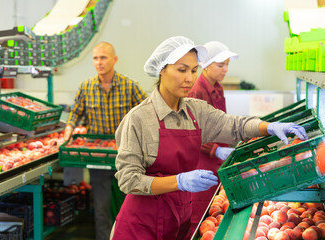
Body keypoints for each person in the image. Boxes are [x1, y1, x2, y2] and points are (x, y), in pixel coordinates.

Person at [110, 36, 308, 240]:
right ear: (162, 69)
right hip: (141, 226)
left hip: (179, 222)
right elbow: (128, 180)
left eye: (194, 70)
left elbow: (235, 125)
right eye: (181, 69)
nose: (189, 78)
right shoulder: (139, 119)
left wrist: (269, 127)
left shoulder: (195, 111)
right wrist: (179, 181)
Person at [63, 42, 148, 240]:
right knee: (101, 208)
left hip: (126, 158)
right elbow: (76, 113)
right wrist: (68, 131)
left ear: (114, 59)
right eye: (95, 58)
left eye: (103, 57)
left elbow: (148, 111)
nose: (99, 62)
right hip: (99, 159)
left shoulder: (130, 86)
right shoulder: (86, 87)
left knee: (129, 206)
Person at [188, 41, 239, 231]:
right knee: (200, 213)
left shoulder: (217, 88)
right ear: (207, 65)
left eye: (227, 64)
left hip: (217, 159)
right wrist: (216, 150)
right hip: (202, 159)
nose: (225, 69)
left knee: (214, 209)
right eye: (221, 65)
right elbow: (193, 132)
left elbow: (220, 121)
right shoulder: (196, 91)